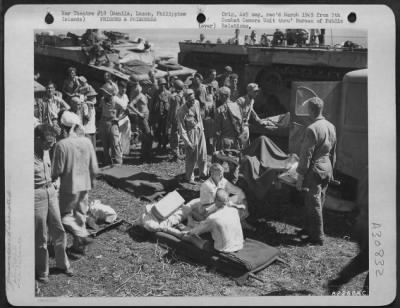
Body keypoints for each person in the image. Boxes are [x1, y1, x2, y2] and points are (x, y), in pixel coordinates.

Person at [52, 112, 99, 255]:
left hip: (69, 186)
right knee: (80, 215)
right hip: (85, 184)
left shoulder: (62, 145)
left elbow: (57, 170)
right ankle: (79, 247)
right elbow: (95, 167)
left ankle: (82, 235)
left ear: (65, 128)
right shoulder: (87, 142)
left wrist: (51, 179)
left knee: (64, 216)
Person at [295, 97, 337, 245]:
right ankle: (309, 229)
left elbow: (306, 154)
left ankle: (318, 236)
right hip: (326, 167)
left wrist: (300, 175)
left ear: (311, 110)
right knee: (318, 200)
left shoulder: (312, 129)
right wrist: (331, 171)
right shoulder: (331, 126)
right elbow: (333, 151)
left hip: (315, 170)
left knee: (313, 203)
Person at [34, 124, 73, 283]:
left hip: (50, 191)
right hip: (36, 195)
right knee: (41, 236)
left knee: (59, 229)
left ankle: (63, 264)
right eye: (49, 141)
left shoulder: (46, 151)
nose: (52, 144)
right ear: (37, 139)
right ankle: (42, 271)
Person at [185, 188, 244, 253]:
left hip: (223, 249)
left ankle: (171, 230)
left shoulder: (213, 218)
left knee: (191, 237)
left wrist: (189, 226)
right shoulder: (234, 211)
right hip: (239, 245)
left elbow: (195, 232)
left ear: (215, 200)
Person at [200, 163, 255, 230]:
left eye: (222, 174)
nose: (221, 176)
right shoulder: (206, 185)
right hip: (209, 209)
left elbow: (237, 191)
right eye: (219, 174)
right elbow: (207, 207)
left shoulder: (222, 180)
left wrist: (241, 200)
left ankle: (242, 221)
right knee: (231, 208)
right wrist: (230, 204)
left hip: (222, 202)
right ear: (212, 174)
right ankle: (232, 225)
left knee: (240, 196)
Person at [177, 89, 208, 184]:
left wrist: (201, 130)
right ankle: (189, 177)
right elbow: (182, 129)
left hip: (200, 131)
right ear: (186, 100)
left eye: (193, 99)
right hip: (190, 134)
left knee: (203, 154)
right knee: (191, 157)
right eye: (190, 100)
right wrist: (188, 142)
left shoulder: (197, 103)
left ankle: (203, 175)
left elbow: (199, 117)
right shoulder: (181, 111)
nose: (192, 102)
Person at [98, 83, 124, 165]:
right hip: (103, 122)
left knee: (115, 141)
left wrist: (118, 118)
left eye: (105, 92)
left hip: (112, 123)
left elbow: (125, 110)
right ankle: (107, 161)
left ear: (109, 93)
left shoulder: (116, 100)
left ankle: (118, 160)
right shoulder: (102, 100)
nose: (103, 93)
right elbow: (100, 108)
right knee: (105, 143)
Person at [127, 80, 153, 162]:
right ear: (144, 87)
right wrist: (139, 113)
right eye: (148, 87)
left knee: (146, 136)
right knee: (148, 136)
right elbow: (130, 105)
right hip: (142, 117)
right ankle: (145, 156)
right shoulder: (140, 96)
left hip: (147, 116)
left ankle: (145, 155)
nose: (149, 88)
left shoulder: (145, 95)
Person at [235, 83, 266, 147]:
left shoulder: (252, 100)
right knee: (240, 145)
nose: (256, 93)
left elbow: (251, 110)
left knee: (246, 145)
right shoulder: (241, 101)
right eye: (254, 91)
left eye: (257, 91)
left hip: (245, 125)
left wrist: (259, 120)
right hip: (239, 126)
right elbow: (234, 113)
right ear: (249, 91)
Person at [191, 73, 215, 154]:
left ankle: (202, 147)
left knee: (200, 130)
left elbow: (202, 101)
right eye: (194, 79)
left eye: (196, 79)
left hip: (200, 111)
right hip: (199, 110)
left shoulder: (201, 88)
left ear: (200, 80)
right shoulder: (197, 87)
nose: (195, 80)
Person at [150, 77, 171, 152]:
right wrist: (151, 112)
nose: (162, 86)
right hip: (157, 114)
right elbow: (152, 103)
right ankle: (159, 143)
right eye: (161, 84)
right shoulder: (156, 93)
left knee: (165, 130)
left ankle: (164, 145)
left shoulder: (168, 93)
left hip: (165, 115)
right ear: (159, 85)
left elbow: (170, 103)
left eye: (164, 84)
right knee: (157, 130)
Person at [167, 79, 186, 161]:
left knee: (175, 137)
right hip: (183, 119)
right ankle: (181, 153)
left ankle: (176, 156)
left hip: (177, 120)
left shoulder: (175, 97)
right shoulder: (184, 95)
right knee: (181, 137)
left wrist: (171, 120)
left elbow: (174, 110)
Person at [114, 80, 131, 156]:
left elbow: (127, 107)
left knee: (127, 135)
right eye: (122, 88)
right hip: (119, 119)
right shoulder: (115, 97)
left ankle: (125, 152)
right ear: (118, 88)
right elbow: (123, 108)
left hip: (126, 118)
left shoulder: (126, 96)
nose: (124, 90)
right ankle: (119, 154)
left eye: (125, 88)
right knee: (119, 136)